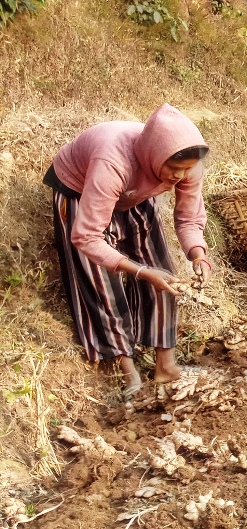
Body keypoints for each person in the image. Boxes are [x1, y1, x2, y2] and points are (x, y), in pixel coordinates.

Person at [45, 103, 213, 396]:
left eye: (185, 170)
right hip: (82, 189)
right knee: (100, 281)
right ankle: (128, 373)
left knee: (164, 273)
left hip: (134, 191)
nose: (178, 176)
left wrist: (198, 254)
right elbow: (86, 237)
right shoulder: (113, 161)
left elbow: (188, 219)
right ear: (154, 156)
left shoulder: (188, 167)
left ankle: (166, 367)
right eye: (173, 168)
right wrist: (139, 271)